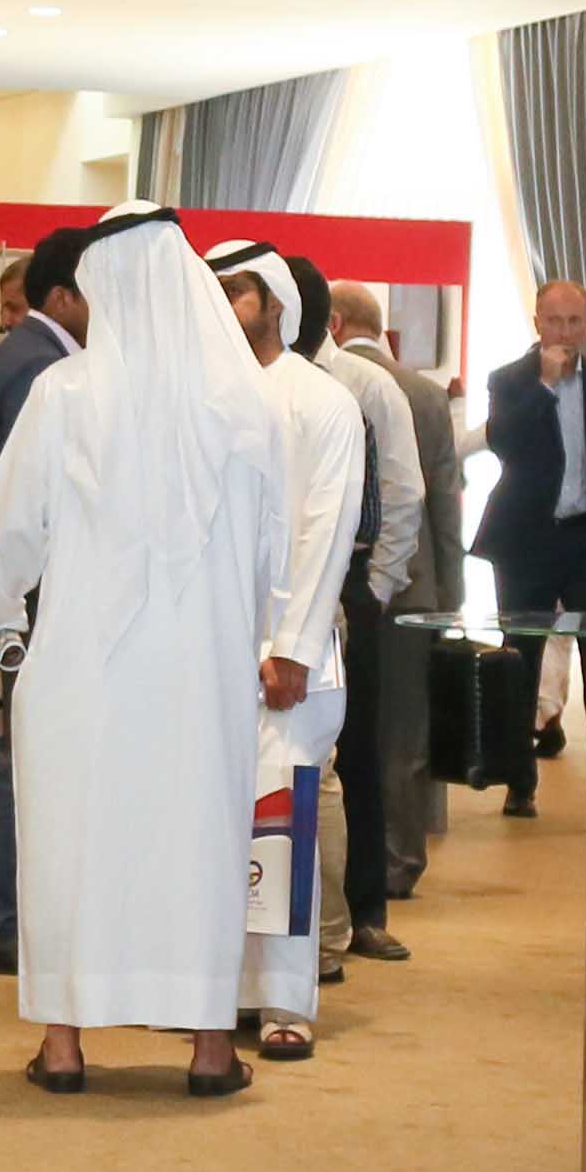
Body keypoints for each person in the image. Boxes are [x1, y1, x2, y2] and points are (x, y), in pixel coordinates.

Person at [0, 210, 287, 1096]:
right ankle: (210, 1051)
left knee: (75, 841)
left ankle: (63, 1046)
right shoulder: (244, 403)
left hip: (87, 667)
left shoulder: (65, 394)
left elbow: (10, 529)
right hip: (202, 671)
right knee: (196, 841)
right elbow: (276, 550)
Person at [211, 241, 368, 1047]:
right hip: (211, 645)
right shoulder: (204, 394)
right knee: (217, 828)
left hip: (289, 655)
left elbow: (326, 528)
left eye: (234, 292)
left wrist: (295, 647)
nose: (220, 305)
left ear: (274, 302)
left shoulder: (322, 400)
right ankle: (224, 993)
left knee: (281, 822)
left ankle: (283, 1005)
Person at [0, 221, 93, 979]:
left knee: (26, 753)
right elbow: (37, 504)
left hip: (29, 589)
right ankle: (1, 922)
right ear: (66, 295)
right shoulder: (45, 366)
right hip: (38, 594)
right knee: (26, 758)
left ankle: (6, 918)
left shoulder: (24, 355)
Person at [469, 276, 586, 817]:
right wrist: (544, 386)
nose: (564, 331)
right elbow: (503, 441)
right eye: (554, 321)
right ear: (537, 322)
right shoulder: (510, 379)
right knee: (521, 658)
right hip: (525, 540)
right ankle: (519, 781)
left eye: (574, 321)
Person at [306, 263, 426, 963]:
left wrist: (376, 588)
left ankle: (365, 910)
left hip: (350, 580)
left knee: (356, 748)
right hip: (275, 581)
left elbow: (403, 491)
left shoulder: (365, 385)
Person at [328, 281, 459, 910]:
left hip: (346, 581)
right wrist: (451, 592)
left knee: (346, 731)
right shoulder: (426, 394)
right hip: (414, 586)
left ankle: (351, 859)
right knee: (405, 733)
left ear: (334, 322)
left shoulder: (328, 383)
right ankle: (401, 857)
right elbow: (444, 504)